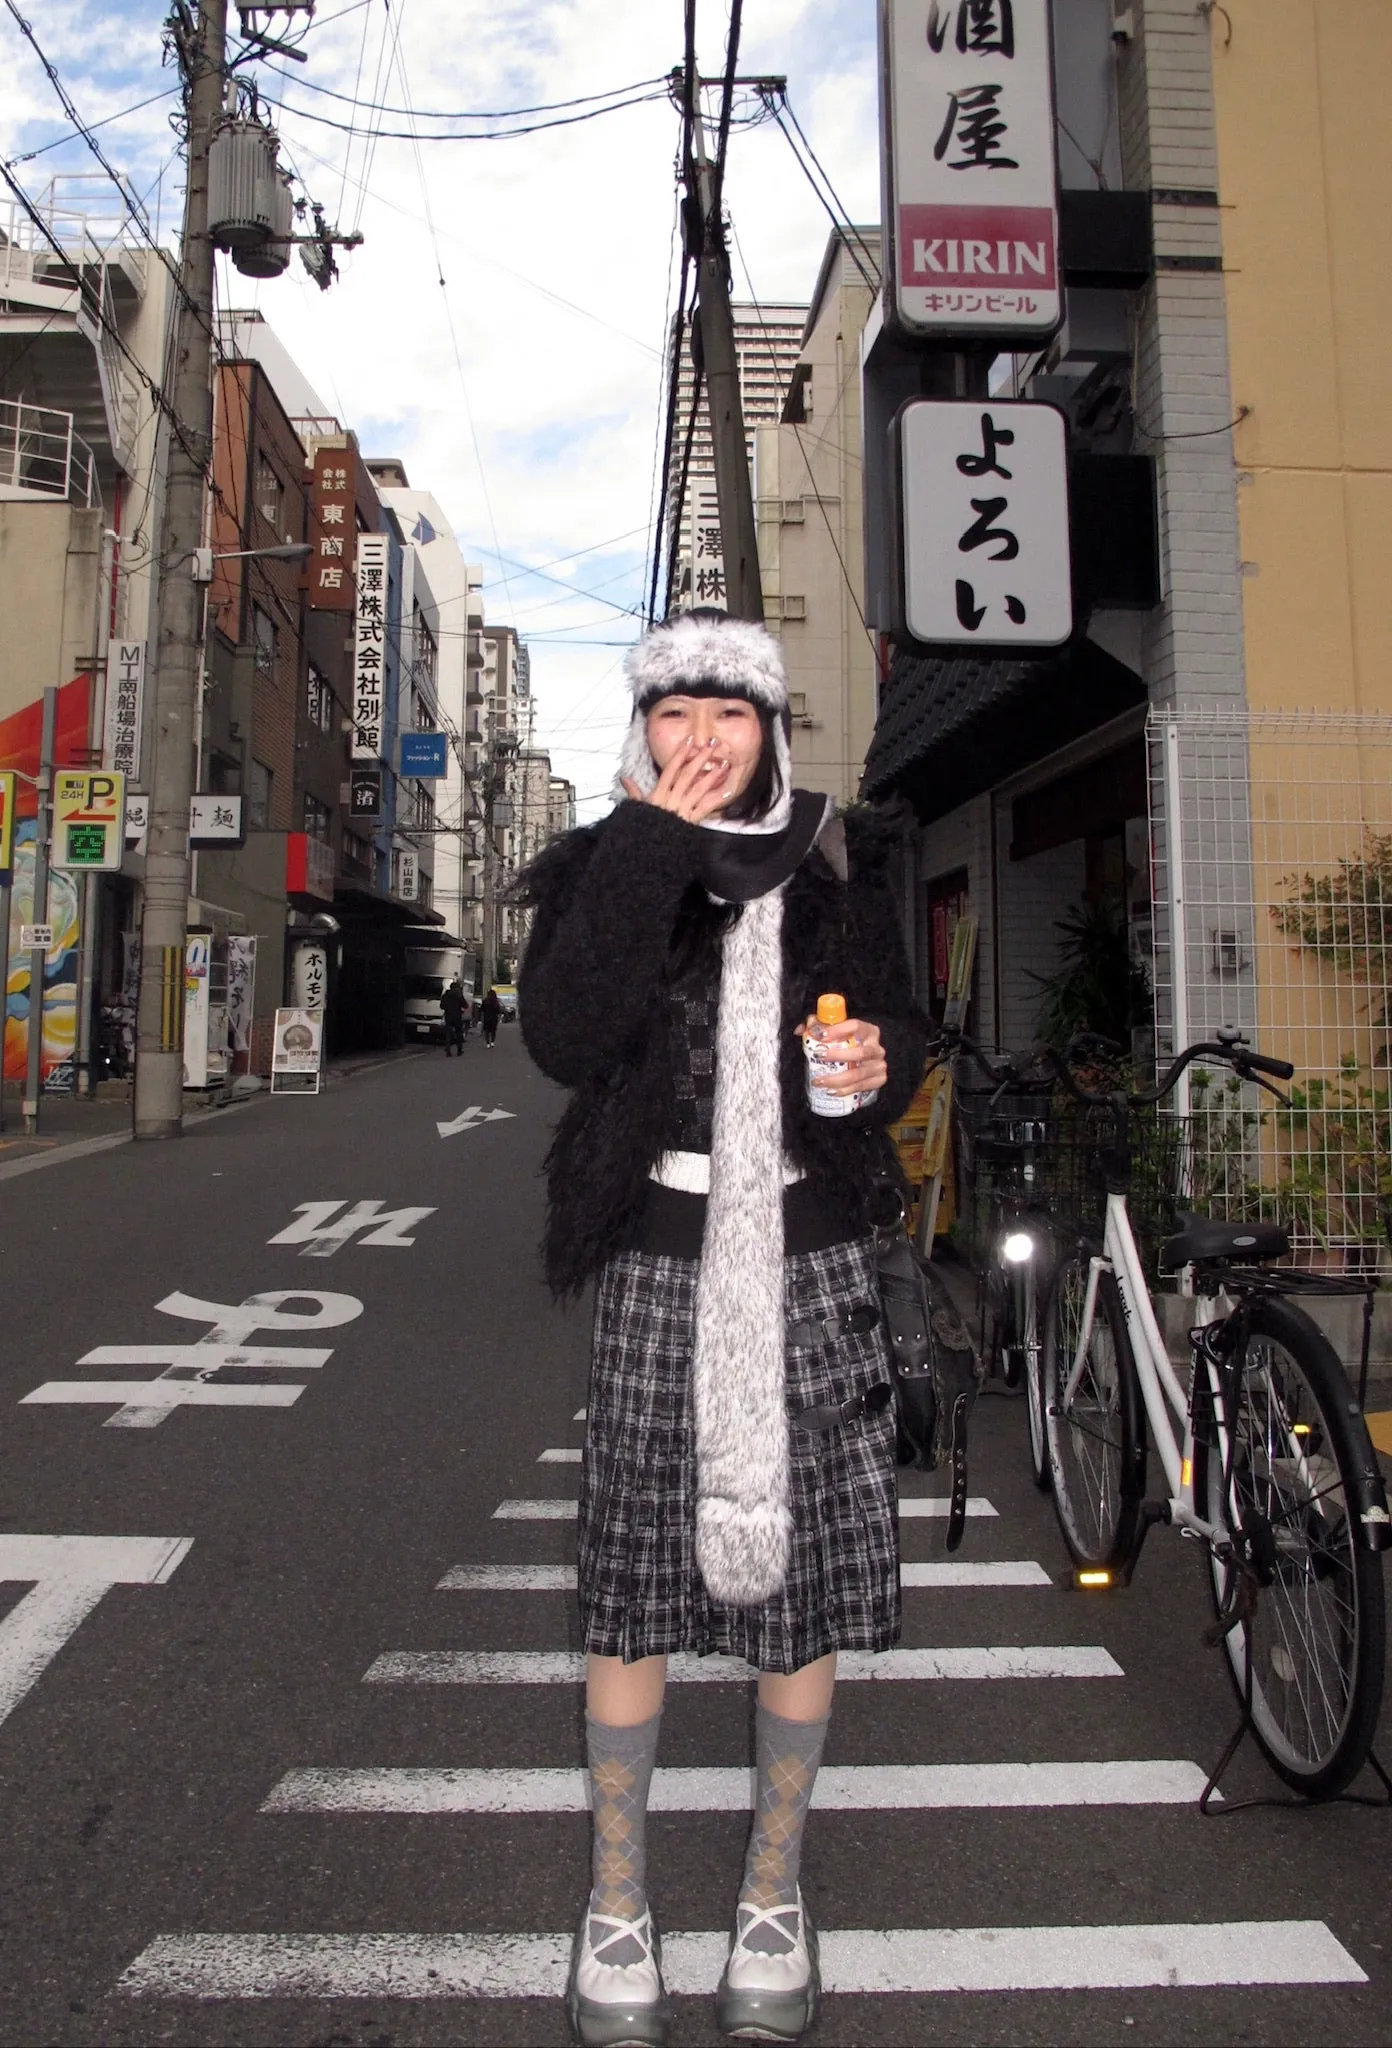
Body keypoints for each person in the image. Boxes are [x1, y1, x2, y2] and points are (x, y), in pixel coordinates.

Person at [518, 611, 927, 2048]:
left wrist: (872, 1067)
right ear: (643, 732)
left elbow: (891, 1042)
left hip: (808, 1253)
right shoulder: (595, 866)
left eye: (729, 714)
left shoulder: (829, 869)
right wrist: (641, 849)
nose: (702, 739)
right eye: (676, 713)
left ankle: (773, 1889)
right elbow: (568, 1034)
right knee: (631, 1575)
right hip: (657, 1256)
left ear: (770, 731)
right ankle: (617, 1898)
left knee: (797, 1587)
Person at [439, 977, 468, 1057]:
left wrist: (448, 1008)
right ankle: (459, 1050)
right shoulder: (459, 996)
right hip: (457, 1017)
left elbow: (442, 1006)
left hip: (448, 1016)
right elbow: (466, 1005)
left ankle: (448, 1050)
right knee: (458, 1033)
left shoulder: (446, 995)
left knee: (448, 1034)